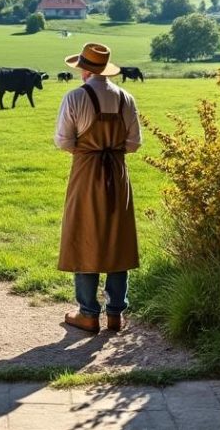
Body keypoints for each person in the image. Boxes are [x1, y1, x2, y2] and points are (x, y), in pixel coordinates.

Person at [55, 42, 141, 333]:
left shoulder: (75, 98)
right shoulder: (126, 98)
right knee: (118, 238)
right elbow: (133, 144)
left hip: (86, 171)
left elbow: (63, 142)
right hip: (116, 172)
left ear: (84, 69)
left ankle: (88, 312)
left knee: (84, 235)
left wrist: (89, 148)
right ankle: (116, 313)